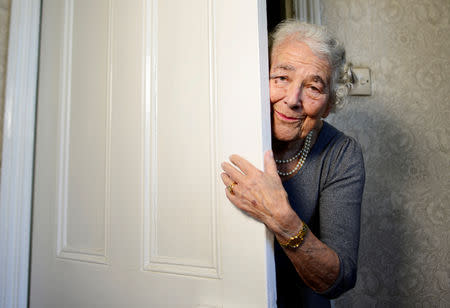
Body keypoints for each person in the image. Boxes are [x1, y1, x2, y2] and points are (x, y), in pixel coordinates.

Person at [220, 20, 365, 307]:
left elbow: (340, 279)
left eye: (313, 87)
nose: (292, 99)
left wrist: (283, 221)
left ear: (328, 104)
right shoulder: (224, 129)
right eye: (281, 78)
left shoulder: (341, 154)